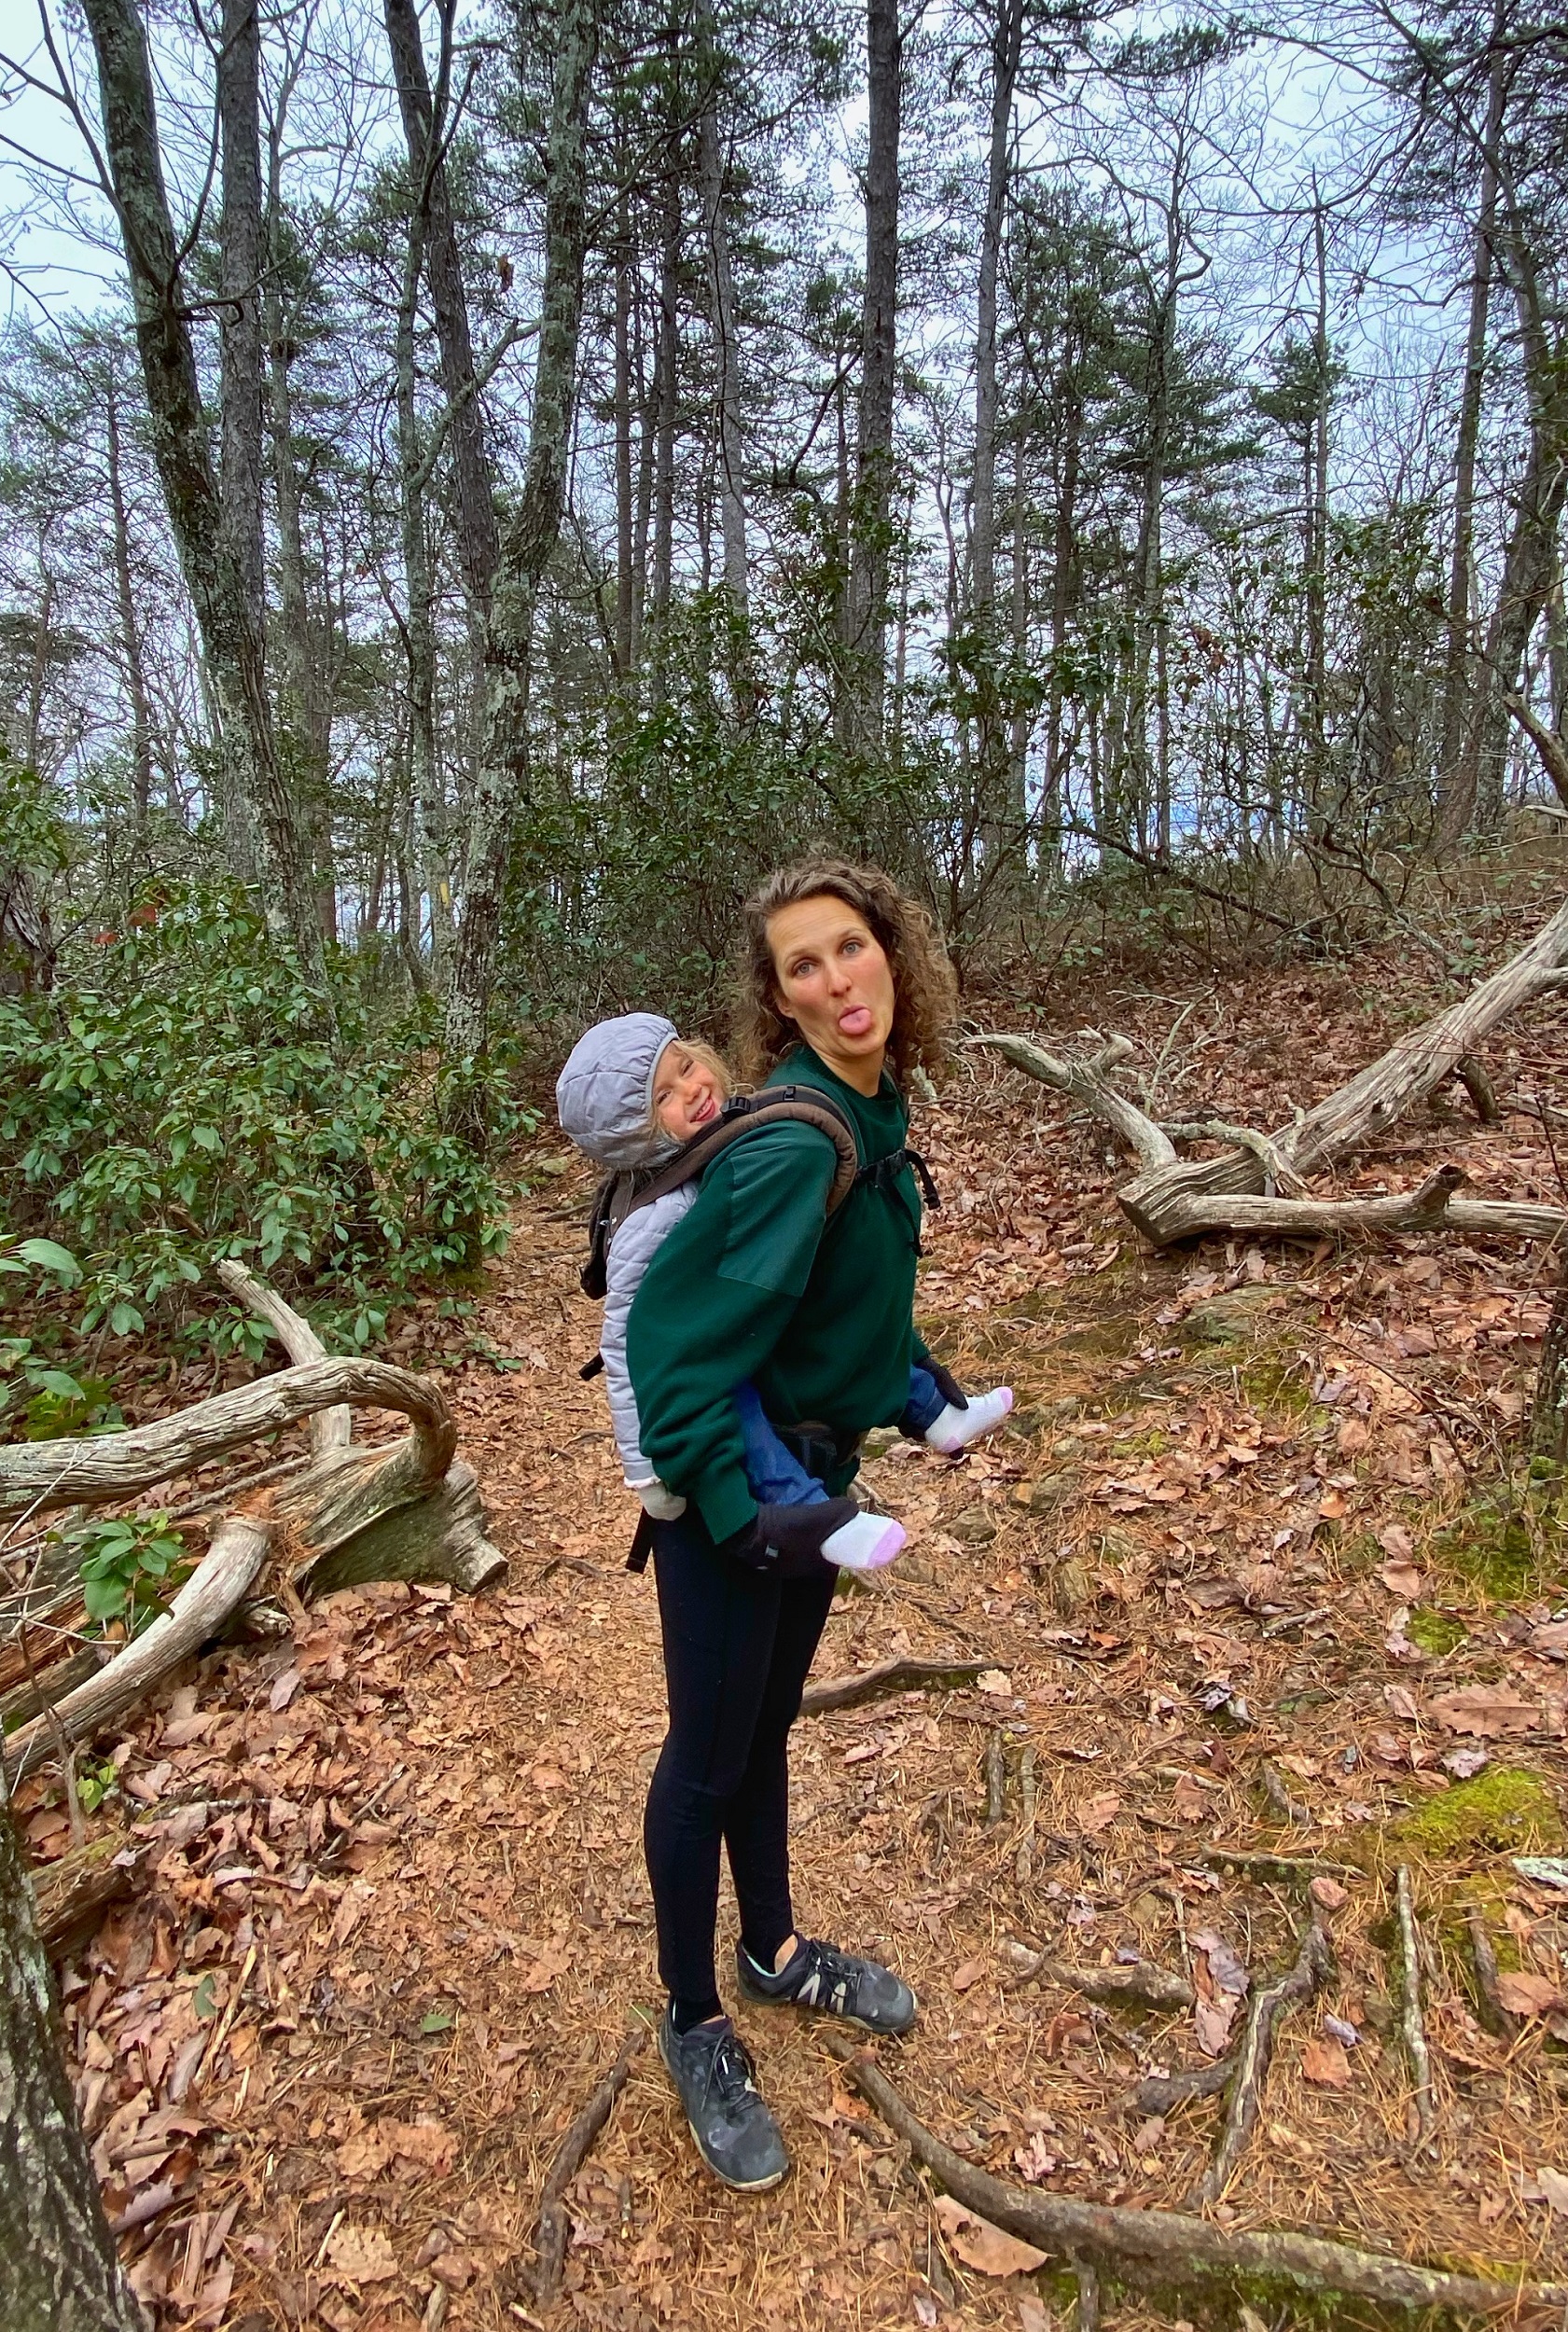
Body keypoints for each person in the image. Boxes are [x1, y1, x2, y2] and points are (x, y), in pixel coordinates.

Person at [622, 860, 1012, 2192]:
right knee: (708, 1757)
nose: (837, 979)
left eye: (849, 948)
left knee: (764, 1729)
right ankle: (692, 2020)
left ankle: (774, 1951)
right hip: (741, 1506)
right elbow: (674, 1351)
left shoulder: (876, 1104)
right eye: (803, 966)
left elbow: (833, 1297)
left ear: (892, 953)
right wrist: (742, 1516)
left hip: (815, 1480)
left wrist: (915, 1378)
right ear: (776, 1003)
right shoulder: (795, 1138)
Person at [554, 1011, 1013, 1575]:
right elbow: (627, 1344)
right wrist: (645, 1470)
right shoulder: (660, 1211)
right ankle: (809, 1512)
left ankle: (938, 1414)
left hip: (752, 1332)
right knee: (737, 1408)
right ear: (633, 1137)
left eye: (687, 1066)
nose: (693, 1089)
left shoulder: (728, 1140)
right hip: (705, 1362)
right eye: (662, 1099)